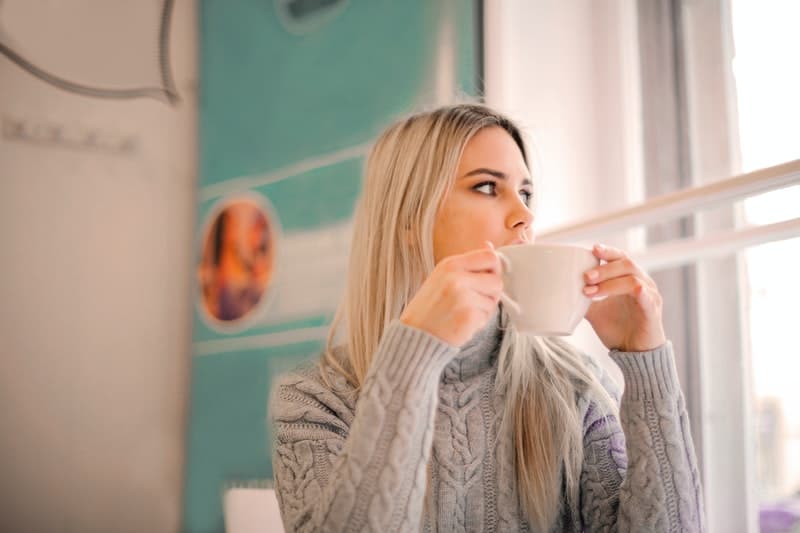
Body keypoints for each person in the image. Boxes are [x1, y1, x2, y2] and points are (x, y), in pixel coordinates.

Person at [269, 104, 704, 532]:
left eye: (526, 193)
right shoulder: (313, 400)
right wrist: (414, 358)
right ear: (408, 218)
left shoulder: (575, 388)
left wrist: (647, 366)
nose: (525, 215)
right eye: (486, 187)